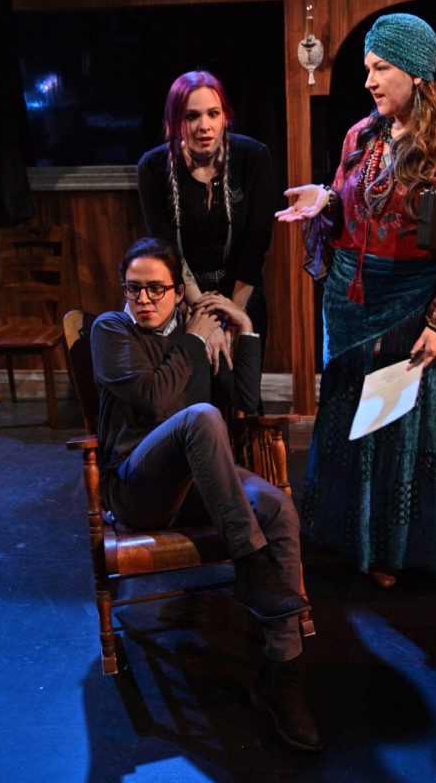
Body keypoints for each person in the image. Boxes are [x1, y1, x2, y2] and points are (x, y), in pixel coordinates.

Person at [276, 13, 436, 588]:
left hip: (414, 306)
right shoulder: (361, 136)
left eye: (382, 68)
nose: (370, 81)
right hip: (352, 302)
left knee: (401, 426)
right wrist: (325, 200)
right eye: (367, 69)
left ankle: (397, 552)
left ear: (418, 73)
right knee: (352, 421)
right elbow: (357, 209)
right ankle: (348, 537)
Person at [90, 236, 321, 752]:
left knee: (278, 506)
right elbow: (155, 402)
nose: (143, 300)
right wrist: (195, 341)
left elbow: (243, 405)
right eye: (134, 289)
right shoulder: (112, 331)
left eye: (155, 289)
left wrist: (246, 331)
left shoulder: (203, 336)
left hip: (201, 486)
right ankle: (253, 566)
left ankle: (283, 679)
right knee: (199, 416)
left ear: (177, 292)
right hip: (137, 488)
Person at [137, 70, 276, 369]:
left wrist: (234, 316)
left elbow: (257, 240)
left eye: (213, 114)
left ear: (225, 116)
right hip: (182, 295)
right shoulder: (152, 167)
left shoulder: (253, 157)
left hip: (242, 290)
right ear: (175, 122)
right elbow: (166, 250)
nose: (204, 126)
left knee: (242, 388)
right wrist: (205, 320)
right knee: (192, 385)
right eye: (191, 116)